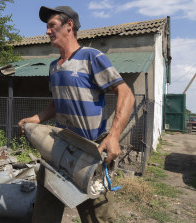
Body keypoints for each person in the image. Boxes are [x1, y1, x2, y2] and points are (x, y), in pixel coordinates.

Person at [18, 5, 135, 223]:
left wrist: (114, 135)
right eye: (47, 27)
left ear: (69, 25)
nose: (47, 31)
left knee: (97, 216)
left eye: (52, 25)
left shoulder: (92, 56)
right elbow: (56, 104)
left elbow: (126, 94)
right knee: (44, 213)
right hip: (58, 148)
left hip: (89, 152)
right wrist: (35, 119)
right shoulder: (54, 67)